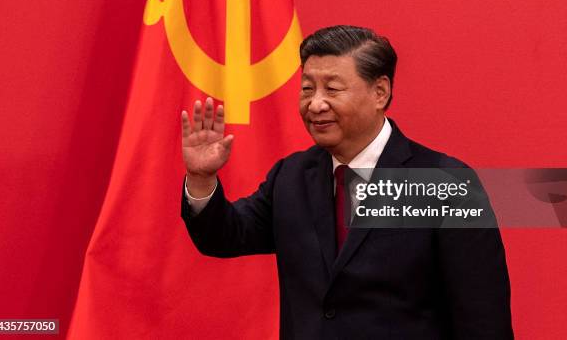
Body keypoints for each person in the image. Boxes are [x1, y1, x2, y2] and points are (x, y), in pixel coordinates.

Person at [180, 25, 513, 339]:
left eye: (333, 89)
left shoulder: (444, 183)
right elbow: (225, 237)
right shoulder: (292, 176)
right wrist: (201, 178)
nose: (316, 104)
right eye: (307, 88)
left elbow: (482, 319)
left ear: (380, 92)